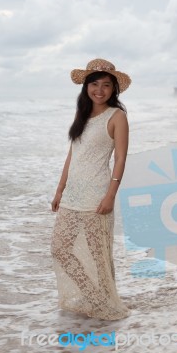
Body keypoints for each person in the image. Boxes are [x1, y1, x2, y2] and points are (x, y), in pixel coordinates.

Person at [50, 58, 132, 320]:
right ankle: (95, 297)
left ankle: (105, 304)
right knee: (60, 249)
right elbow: (72, 154)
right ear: (86, 86)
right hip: (72, 194)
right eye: (94, 84)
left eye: (106, 85)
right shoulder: (82, 115)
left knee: (99, 256)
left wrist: (111, 195)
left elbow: (120, 158)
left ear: (113, 89)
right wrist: (60, 190)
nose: (100, 90)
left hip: (98, 195)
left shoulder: (117, 116)